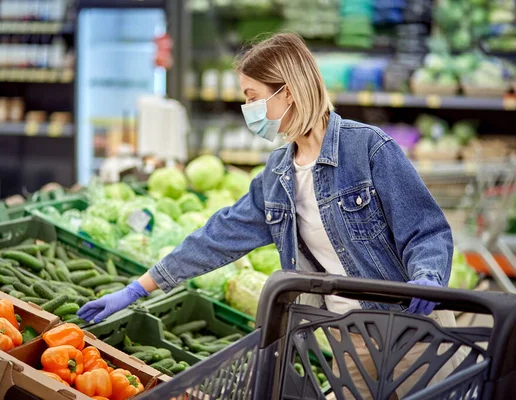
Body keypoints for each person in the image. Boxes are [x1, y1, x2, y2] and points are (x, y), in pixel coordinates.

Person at [78, 33, 461, 397]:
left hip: (411, 332)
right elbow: (217, 237)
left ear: (287, 92)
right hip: (347, 336)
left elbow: (426, 231)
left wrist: (427, 277)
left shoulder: (368, 149)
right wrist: (137, 288)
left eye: (253, 97)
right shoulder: (278, 175)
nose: (249, 111)